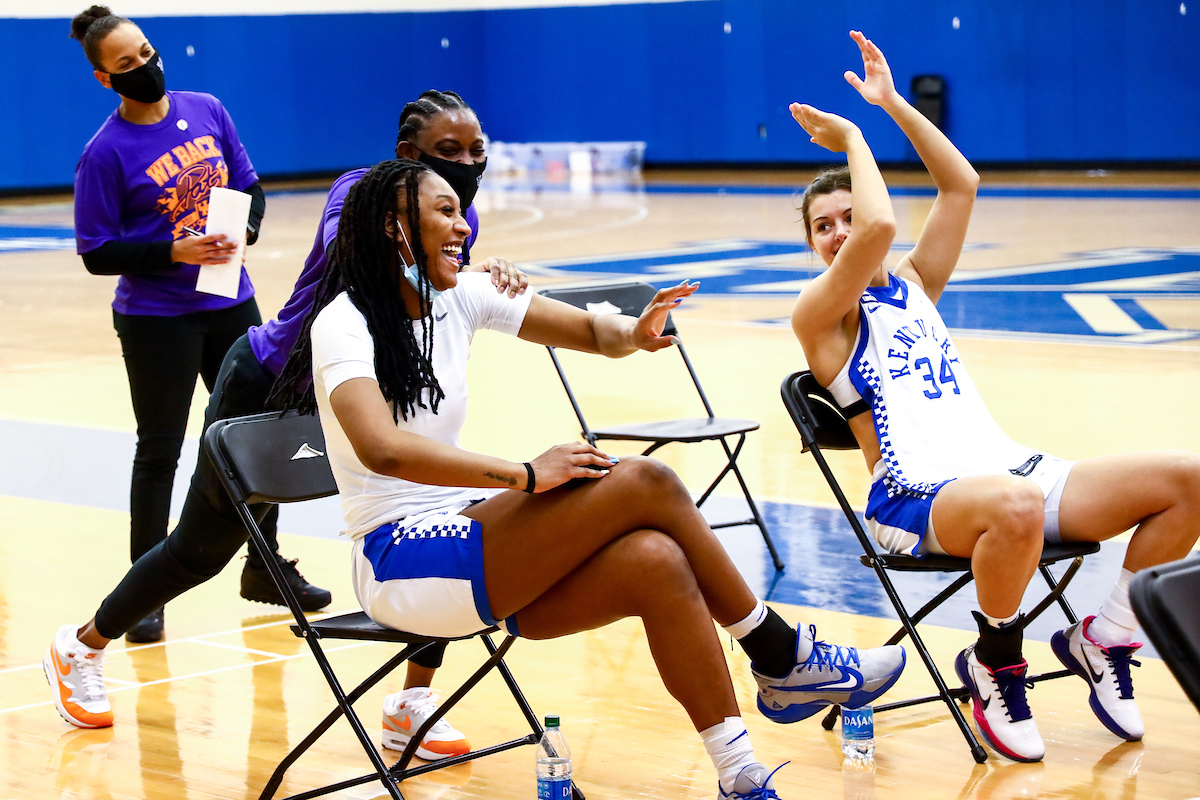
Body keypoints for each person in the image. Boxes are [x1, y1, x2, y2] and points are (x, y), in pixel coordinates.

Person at [269, 158, 907, 798]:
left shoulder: (459, 295)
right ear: (393, 226)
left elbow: (589, 331)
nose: (463, 225)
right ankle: (778, 652)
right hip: (397, 560)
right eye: (444, 211)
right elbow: (382, 452)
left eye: (462, 211)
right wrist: (524, 475)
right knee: (647, 482)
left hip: (473, 543)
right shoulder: (343, 322)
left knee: (657, 560)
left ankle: (741, 775)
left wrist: (635, 330)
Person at [45, 90, 526, 763]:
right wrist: (460, 270)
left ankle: (412, 701)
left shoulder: (453, 213)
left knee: (434, 512)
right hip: (268, 385)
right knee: (198, 550)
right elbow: (354, 252)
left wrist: (483, 274)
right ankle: (80, 645)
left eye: (477, 151)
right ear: (406, 157)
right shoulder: (359, 194)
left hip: (349, 395)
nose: (468, 164)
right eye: (450, 153)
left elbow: (444, 289)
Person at [788, 31, 1200, 763]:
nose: (840, 234)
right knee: (1015, 508)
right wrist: (854, 132)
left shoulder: (914, 285)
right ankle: (994, 662)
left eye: (846, 218)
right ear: (812, 245)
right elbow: (882, 224)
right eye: (824, 227)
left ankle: (1103, 637)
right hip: (913, 499)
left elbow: (962, 185)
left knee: (1186, 480)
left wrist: (892, 106)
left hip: (1006, 471)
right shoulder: (818, 318)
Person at [65, 5, 325, 643]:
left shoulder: (206, 108)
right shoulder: (103, 153)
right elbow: (97, 251)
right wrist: (173, 252)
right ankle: (143, 594)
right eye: (127, 64)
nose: (145, 67)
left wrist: (249, 227)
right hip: (157, 320)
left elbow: (249, 186)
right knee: (160, 452)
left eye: (147, 52)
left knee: (257, 438)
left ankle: (265, 570)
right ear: (106, 79)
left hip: (231, 304)